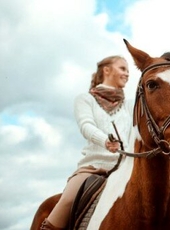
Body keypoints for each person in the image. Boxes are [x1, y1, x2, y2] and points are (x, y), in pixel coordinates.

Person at [41, 55, 133, 230]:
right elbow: (86, 126)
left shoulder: (130, 105)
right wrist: (105, 141)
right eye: (123, 68)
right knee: (67, 200)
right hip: (94, 168)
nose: (127, 74)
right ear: (107, 70)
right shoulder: (85, 99)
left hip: (126, 170)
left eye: (128, 70)